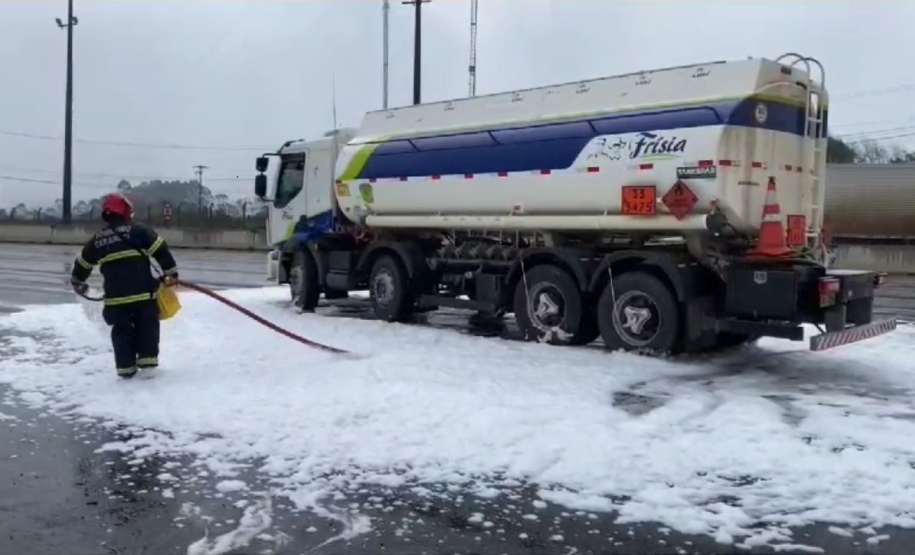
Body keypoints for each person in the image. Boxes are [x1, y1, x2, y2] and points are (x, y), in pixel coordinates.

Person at [70, 193, 179, 378]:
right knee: (147, 328)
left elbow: (83, 264)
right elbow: (161, 250)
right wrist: (171, 274)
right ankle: (148, 368)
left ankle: (125, 370)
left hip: (116, 300)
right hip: (143, 296)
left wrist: (78, 281)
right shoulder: (139, 231)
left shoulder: (98, 240)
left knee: (121, 333)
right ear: (126, 210)